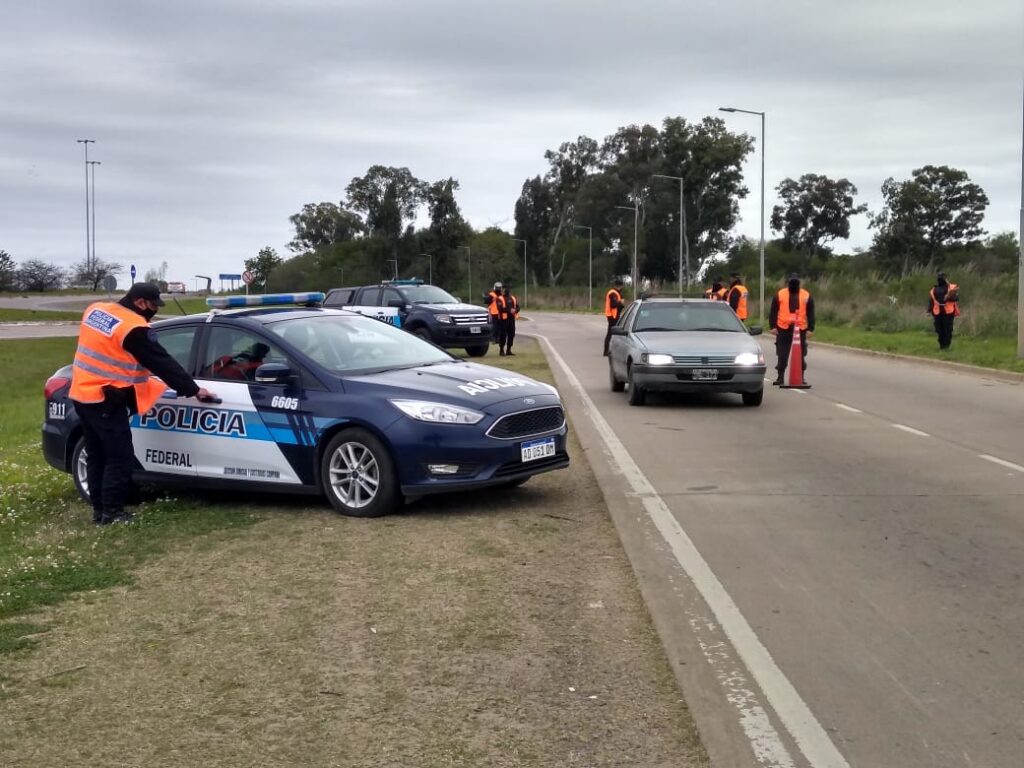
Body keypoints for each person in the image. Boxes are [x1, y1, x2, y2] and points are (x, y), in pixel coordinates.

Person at [69, 282, 216, 525]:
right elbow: (161, 362)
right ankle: (113, 513)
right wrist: (193, 389)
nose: (154, 311)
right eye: (152, 305)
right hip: (106, 399)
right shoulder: (133, 328)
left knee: (97, 455)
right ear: (140, 302)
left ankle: (100, 510)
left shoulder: (95, 310)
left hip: (81, 393)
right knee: (120, 457)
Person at [769, 273, 815, 385]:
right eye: (792, 282)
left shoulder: (806, 295)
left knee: (800, 355)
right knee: (782, 355)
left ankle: (801, 377)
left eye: (796, 282)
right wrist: (773, 326)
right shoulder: (780, 294)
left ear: (799, 283)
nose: (794, 284)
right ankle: (780, 377)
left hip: (800, 329)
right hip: (783, 328)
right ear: (788, 282)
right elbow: (773, 311)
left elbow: (811, 313)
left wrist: (810, 328)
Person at [927, 272, 960, 350]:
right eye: (939, 277)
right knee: (939, 329)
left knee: (947, 329)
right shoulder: (934, 289)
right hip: (937, 312)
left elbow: (956, 298)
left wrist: (948, 297)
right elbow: (932, 300)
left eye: (942, 277)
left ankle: (946, 346)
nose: (940, 279)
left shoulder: (951, 288)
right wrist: (928, 310)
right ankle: (941, 345)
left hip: (948, 312)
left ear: (945, 279)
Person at [603, 277, 625, 356]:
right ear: (619, 286)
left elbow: (618, 305)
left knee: (614, 334)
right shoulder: (613, 293)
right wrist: (620, 303)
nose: (622, 288)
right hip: (612, 316)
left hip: (615, 316)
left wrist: (621, 305)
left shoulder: (616, 293)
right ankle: (606, 351)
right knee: (611, 334)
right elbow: (613, 305)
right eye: (622, 286)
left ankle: (610, 350)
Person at [485, 281, 506, 348]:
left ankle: (499, 338)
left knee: (500, 326)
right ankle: (494, 338)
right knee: (494, 326)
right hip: (493, 312)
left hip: (500, 312)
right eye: (498, 288)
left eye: (499, 288)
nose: (499, 289)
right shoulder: (491, 295)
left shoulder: (502, 295)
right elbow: (487, 302)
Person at [501, 284, 519, 356]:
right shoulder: (500, 298)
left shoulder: (513, 298)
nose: (506, 291)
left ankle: (509, 350)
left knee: (511, 334)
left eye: (507, 289)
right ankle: (501, 350)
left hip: (511, 319)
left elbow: (517, 307)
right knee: (503, 335)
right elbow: (500, 308)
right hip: (503, 319)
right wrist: (509, 310)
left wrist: (515, 310)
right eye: (504, 289)